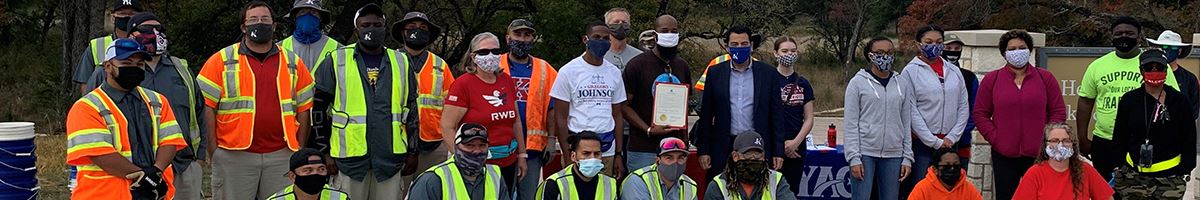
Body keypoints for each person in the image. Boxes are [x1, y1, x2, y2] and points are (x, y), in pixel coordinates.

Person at [80, 12, 208, 200]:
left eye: (159, 29)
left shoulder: (180, 68)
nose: (154, 34)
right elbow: (94, 137)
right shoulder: (99, 82)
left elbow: (199, 111)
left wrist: (200, 156)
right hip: (118, 181)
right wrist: (143, 176)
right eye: (147, 29)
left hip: (180, 166)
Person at [196, 2, 315, 199]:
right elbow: (205, 107)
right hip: (234, 155)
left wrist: (298, 149)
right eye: (253, 20)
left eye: (265, 19)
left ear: (274, 25)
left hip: (282, 155)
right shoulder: (221, 60)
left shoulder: (293, 62)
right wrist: (214, 151)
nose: (259, 23)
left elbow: (304, 108)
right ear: (243, 27)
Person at [310, 4, 417, 199]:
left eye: (377, 25)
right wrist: (324, 153)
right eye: (366, 25)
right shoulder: (336, 60)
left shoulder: (401, 61)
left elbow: (411, 110)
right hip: (348, 163)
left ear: (385, 28)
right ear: (356, 29)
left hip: (389, 160)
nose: (371, 29)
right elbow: (318, 111)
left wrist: (413, 151)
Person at [66, 38, 186, 200]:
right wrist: (143, 177)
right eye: (127, 63)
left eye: (139, 64)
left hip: (153, 194)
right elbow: (100, 154)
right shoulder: (87, 107)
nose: (134, 68)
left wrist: (156, 171)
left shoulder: (157, 101)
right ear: (108, 67)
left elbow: (170, 141)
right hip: (105, 195)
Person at [1076, 16, 1180, 182]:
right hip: (1105, 141)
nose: (1123, 36)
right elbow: (1085, 101)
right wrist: (1082, 138)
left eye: (1129, 33)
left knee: (1139, 191)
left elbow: (1174, 101)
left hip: (1142, 141)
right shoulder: (1097, 66)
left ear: (1139, 37)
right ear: (1112, 37)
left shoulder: (1155, 64)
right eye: (1119, 33)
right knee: (1106, 192)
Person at [972, 29, 1067, 200]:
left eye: (1021, 47)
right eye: (1012, 49)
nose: (1017, 52)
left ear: (1029, 50)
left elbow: (1058, 111)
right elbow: (980, 113)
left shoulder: (1045, 78)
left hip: (1040, 153)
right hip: (1004, 155)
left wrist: (1049, 139)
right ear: (1004, 53)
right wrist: (996, 138)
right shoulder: (992, 80)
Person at [442, 32, 527, 194]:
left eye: (495, 51)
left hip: (508, 162)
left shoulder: (507, 81)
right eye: (483, 52)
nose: (490, 55)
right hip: (477, 164)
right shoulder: (463, 85)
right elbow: (447, 126)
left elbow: (515, 121)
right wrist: (463, 159)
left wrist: (522, 155)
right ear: (473, 57)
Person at [695, 25, 780, 182]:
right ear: (727, 46)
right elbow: (706, 115)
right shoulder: (715, 73)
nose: (739, 48)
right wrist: (703, 150)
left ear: (751, 45)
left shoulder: (768, 73)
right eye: (734, 45)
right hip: (723, 147)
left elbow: (776, 115)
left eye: (744, 44)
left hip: (757, 147)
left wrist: (777, 151)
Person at [1111, 49, 1196, 199]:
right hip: (1133, 177)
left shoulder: (1180, 101)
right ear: (1141, 71)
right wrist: (1119, 167)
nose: (1154, 71)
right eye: (1149, 68)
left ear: (1166, 70)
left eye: (1160, 67)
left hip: (1169, 177)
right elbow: (1120, 135)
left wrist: (1184, 169)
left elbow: (1189, 138)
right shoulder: (1129, 99)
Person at [898, 25, 970, 199]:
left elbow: (963, 105)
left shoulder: (954, 71)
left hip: (951, 142)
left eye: (939, 42)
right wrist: (933, 141)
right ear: (919, 44)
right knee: (921, 188)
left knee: (951, 189)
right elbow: (911, 110)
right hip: (923, 144)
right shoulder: (909, 72)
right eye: (928, 42)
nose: (934, 46)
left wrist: (952, 137)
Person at [393, 10, 459, 197]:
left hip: (434, 144)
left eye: (423, 28)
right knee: (396, 193)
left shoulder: (440, 65)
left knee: (432, 193)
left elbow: (452, 105)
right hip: (399, 143)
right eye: (412, 27)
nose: (417, 31)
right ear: (403, 33)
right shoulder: (390, 61)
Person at [844, 37, 919, 200]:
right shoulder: (857, 83)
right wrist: (853, 157)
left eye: (889, 52)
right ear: (870, 55)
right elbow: (850, 123)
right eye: (880, 53)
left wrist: (907, 157)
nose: (885, 56)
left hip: (894, 154)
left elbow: (906, 122)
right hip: (865, 153)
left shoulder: (902, 83)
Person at [550, 21, 628, 178]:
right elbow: (560, 117)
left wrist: (619, 154)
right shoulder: (568, 71)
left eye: (606, 38)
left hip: (607, 149)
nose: (601, 41)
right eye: (596, 37)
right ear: (585, 39)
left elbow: (618, 115)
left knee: (604, 191)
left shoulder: (614, 72)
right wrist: (567, 154)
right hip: (578, 149)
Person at [493, 18, 559, 200]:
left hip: (532, 149)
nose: (522, 39)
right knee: (496, 194)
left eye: (527, 35)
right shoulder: (493, 65)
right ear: (507, 38)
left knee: (528, 196)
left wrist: (552, 140)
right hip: (499, 146)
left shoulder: (546, 69)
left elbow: (552, 108)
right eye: (517, 34)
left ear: (533, 39)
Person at [621, 15, 692, 172]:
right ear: (655, 34)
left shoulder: (682, 66)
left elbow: (684, 106)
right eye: (664, 30)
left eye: (674, 31)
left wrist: (685, 139)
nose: (669, 34)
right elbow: (623, 106)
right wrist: (648, 129)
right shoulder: (637, 65)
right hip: (643, 148)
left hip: (674, 147)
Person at [278, 0, 343, 152]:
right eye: (302, 12)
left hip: (325, 125)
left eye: (313, 13)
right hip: (288, 123)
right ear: (294, 18)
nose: (308, 16)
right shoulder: (279, 48)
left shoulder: (339, 50)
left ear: (321, 18)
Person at [1013, 122, 1116, 200]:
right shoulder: (1034, 173)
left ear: (1073, 145)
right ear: (1046, 144)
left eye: (1066, 141)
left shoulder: (1085, 169)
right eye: (1054, 141)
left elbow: (1108, 198)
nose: (1060, 145)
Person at [409, 123, 511, 200]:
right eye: (470, 145)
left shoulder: (495, 176)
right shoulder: (432, 180)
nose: (477, 151)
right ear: (456, 147)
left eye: (482, 145)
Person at [767, 36, 815, 195]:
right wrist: (780, 146)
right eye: (785, 51)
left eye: (793, 51)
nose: (789, 54)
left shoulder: (803, 83)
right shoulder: (768, 79)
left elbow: (809, 118)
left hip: (797, 146)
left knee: (791, 191)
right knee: (770, 191)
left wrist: (795, 143)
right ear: (775, 53)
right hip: (773, 145)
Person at [74, 0, 142, 94]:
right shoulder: (97, 46)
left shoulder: (148, 45)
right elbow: (85, 85)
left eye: (132, 14)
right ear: (113, 18)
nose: (127, 17)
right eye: (122, 14)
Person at [703, 131, 794, 200]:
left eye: (758, 154)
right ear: (735, 156)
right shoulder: (718, 186)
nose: (753, 158)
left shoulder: (776, 180)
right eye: (748, 154)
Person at [537, 132, 620, 200]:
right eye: (586, 154)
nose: (592, 158)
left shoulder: (610, 184)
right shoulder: (554, 184)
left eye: (597, 154)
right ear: (573, 156)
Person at [941, 35, 977, 169]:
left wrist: (960, 132)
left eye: (957, 48)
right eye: (948, 48)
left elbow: (974, 109)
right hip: (933, 141)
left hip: (961, 141)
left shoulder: (969, 77)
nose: (953, 51)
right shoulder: (928, 75)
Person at [622, 137, 699, 200]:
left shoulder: (690, 186)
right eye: (669, 158)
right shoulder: (638, 181)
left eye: (680, 158)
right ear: (658, 161)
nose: (675, 162)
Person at [1146, 30, 1199, 119]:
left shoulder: (1189, 79)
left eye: (1173, 48)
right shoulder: (1146, 74)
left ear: (1179, 51)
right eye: (1164, 46)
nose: (1167, 50)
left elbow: (1193, 111)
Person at [266, 148, 350, 200]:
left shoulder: (340, 198)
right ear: (292, 176)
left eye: (321, 169)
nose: (315, 174)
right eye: (308, 170)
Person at [907, 149, 983, 200]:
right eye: (947, 166)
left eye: (956, 166)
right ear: (935, 169)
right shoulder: (922, 189)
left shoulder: (968, 189)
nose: (952, 169)